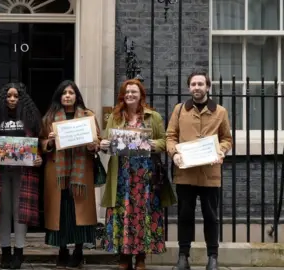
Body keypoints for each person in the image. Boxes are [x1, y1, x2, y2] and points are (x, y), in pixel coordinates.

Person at [166, 70, 232, 270]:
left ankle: (213, 257)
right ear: (189, 87)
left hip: (209, 174)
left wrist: (220, 151)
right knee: (185, 216)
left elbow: (226, 139)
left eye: (200, 84)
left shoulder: (220, 112)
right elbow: (170, 136)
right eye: (193, 84)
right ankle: (183, 257)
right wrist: (174, 153)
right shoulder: (179, 110)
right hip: (185, 173)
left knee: (211, 216)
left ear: (208, 87)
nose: (197, 87)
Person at [99, 79, 167, 270]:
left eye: (134, 92)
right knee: (123, 213)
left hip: (145, 174)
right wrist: (103, 145)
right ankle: (124, 257)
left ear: (141, 95)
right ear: (122, 95)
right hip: (121, 174)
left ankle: (141, 257)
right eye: (127, 92)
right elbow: (107, 142)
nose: (130, 95)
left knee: (142, 213)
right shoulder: (115, 117)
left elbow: (165, 140)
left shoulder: (153, 117)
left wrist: (155, 144)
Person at [39, 80, 101, 269]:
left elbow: (97, 140)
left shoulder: (88, 115)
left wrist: (93, 144)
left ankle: (79, 251)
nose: (67, 96)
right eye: (64, 93)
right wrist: (48, 142)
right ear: (59, 96)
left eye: (71, 93)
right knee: (62, 212)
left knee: (79, 212)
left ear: (76, 96)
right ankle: (62, 250)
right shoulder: (49, 117)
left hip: (81, 173)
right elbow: (40, 143)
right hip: (57, 173)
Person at [0, 82, 43, 269]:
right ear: (3, 98)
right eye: (9, 96)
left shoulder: (31, 118)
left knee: (20, 212)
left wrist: (39, 157)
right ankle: (5, 253)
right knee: (3, 212)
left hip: (24, 172)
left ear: (21, 98)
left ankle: (19, 253)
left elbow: (40, 142)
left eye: (15, 96)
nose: (12, 99)